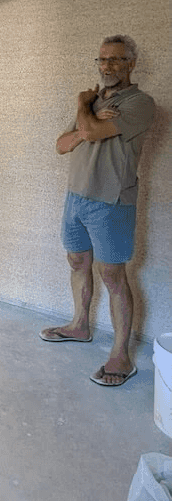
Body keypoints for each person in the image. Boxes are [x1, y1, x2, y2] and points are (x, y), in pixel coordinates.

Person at [40, 35, 155, 386]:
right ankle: (79, 326)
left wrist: (81, 106)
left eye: (117, 60)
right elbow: (62, 144)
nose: (107, 66)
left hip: (111, 202)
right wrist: (86, 116)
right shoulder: (93, 103)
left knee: (113, 276)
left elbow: (89, 133)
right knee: (77, 263)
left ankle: (121, 357)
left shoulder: (140, 102)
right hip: (76, 197)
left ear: (131, 64)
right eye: (102, 60)